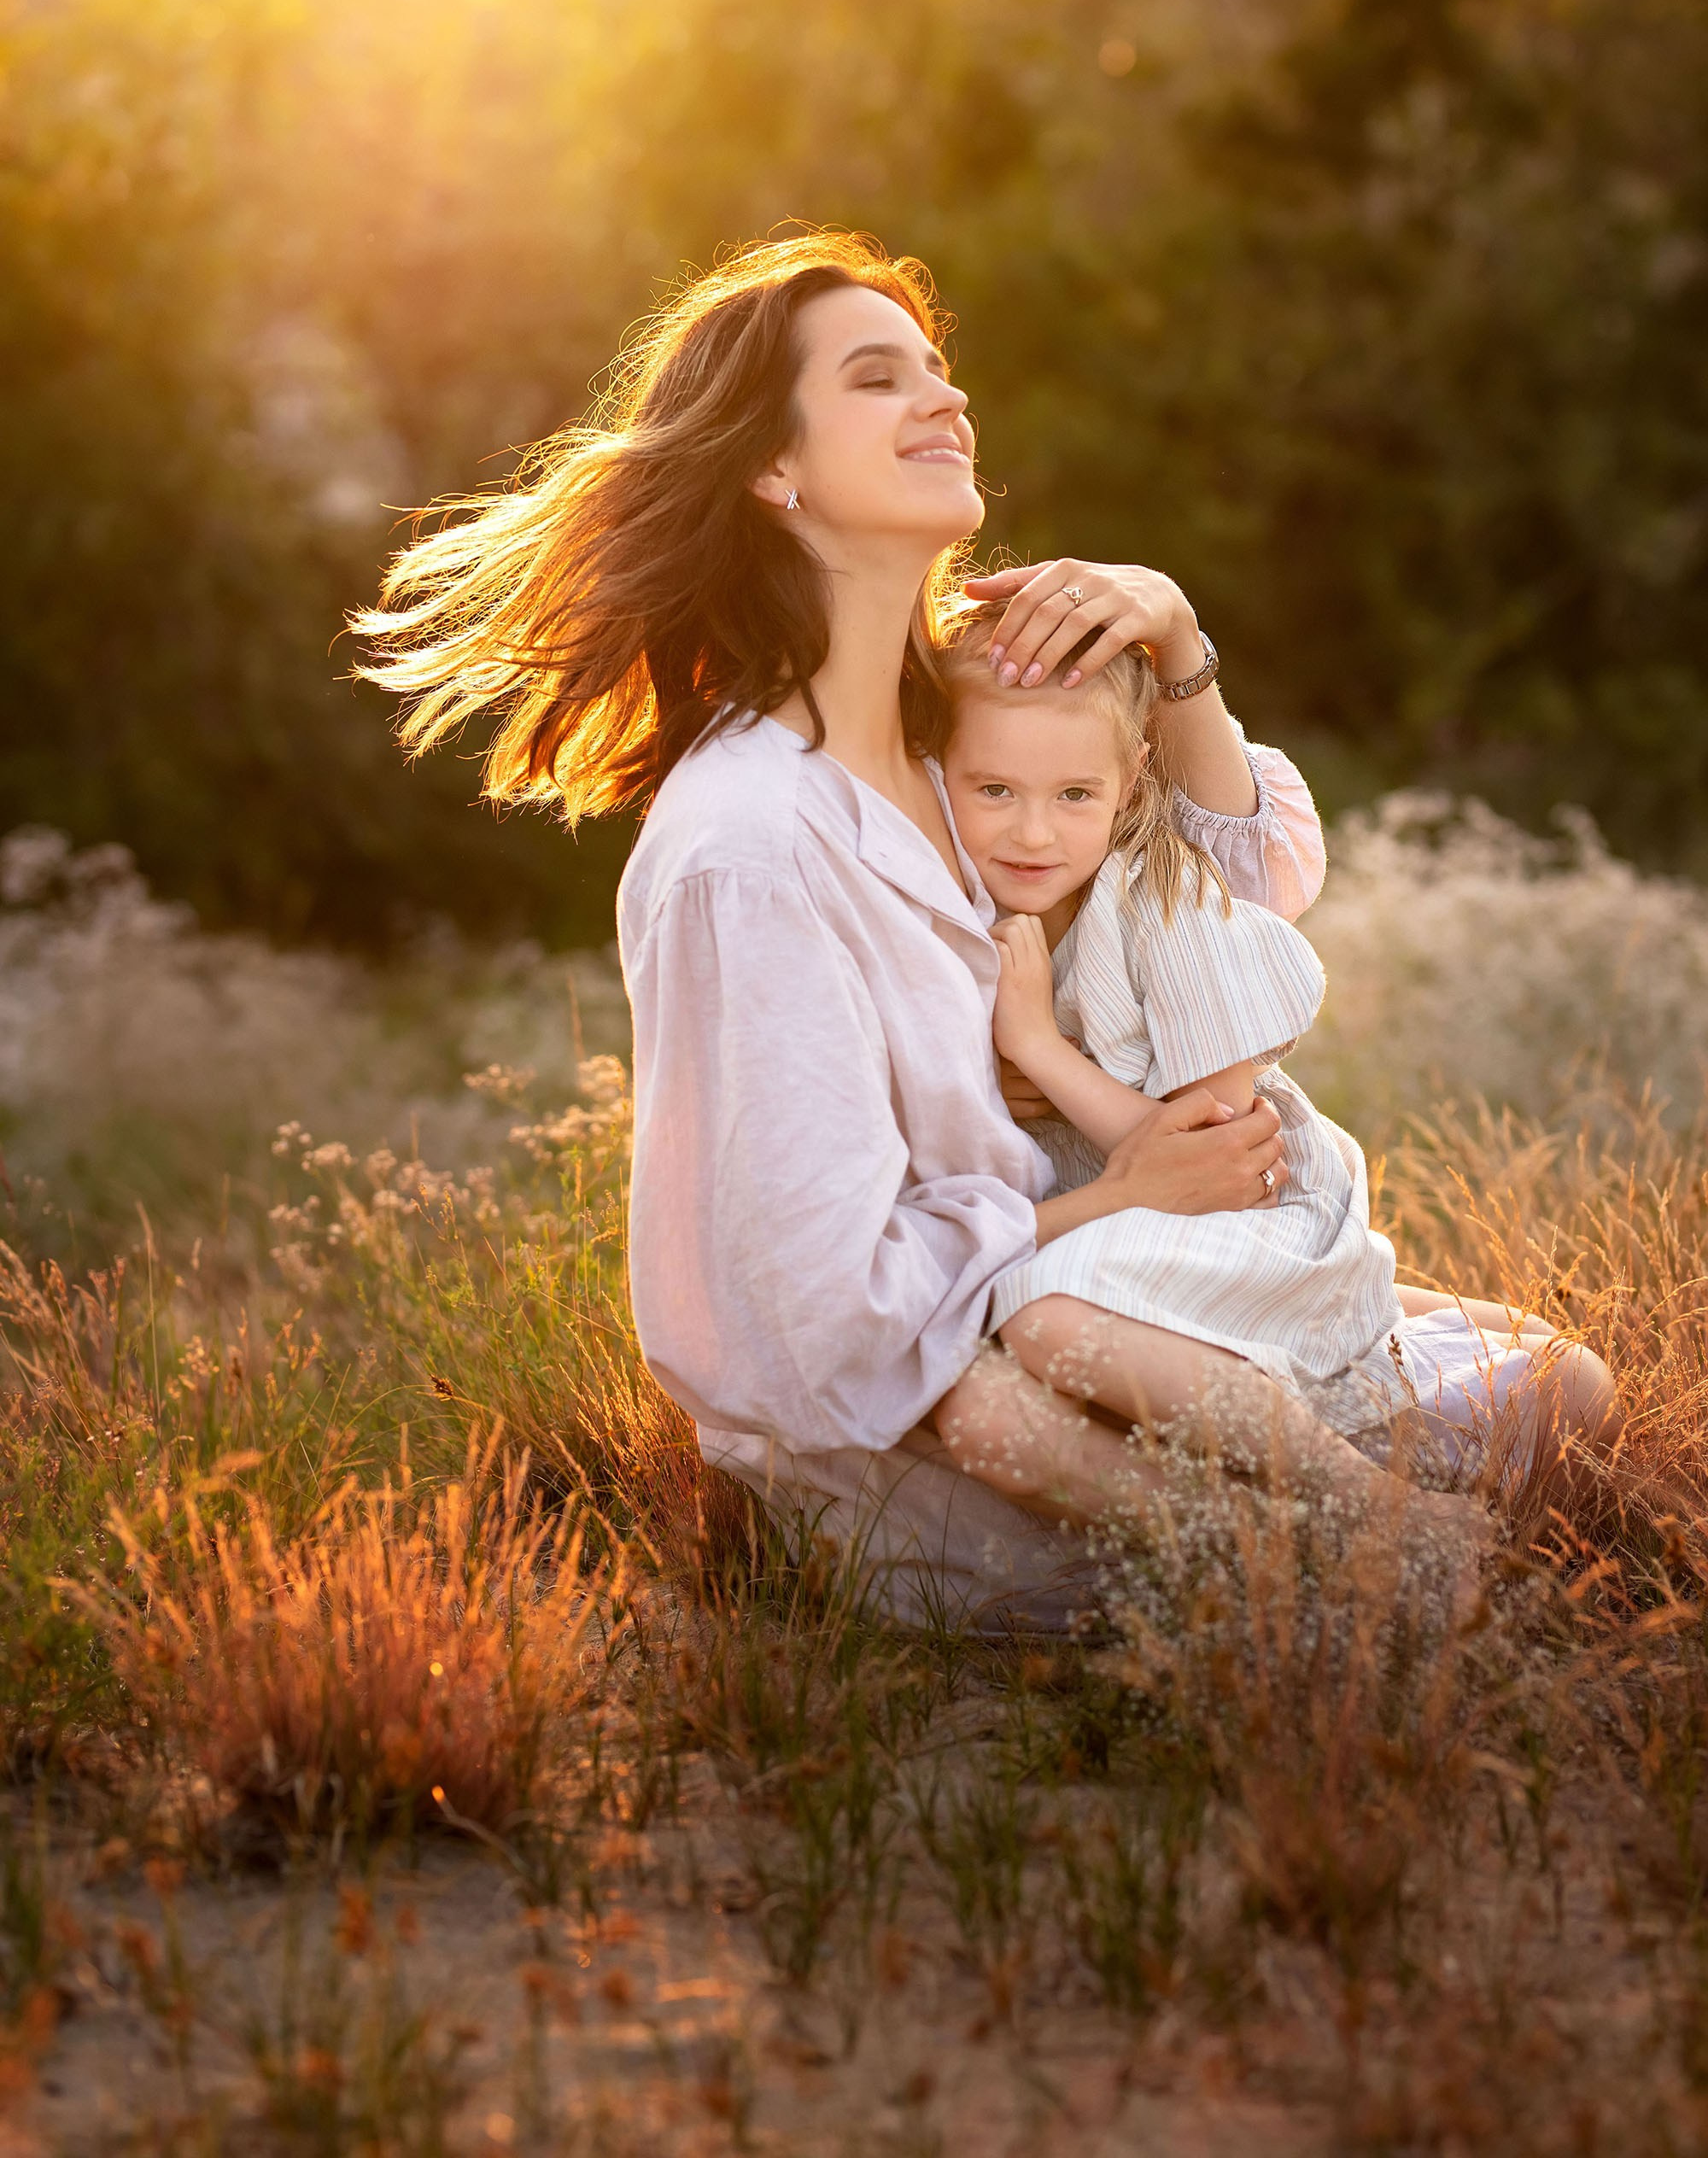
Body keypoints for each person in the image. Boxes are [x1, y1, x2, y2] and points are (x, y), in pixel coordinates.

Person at [350, 230, 1576, 1625]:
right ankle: (1319, 1564)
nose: (949, 401)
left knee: (1560, 1388)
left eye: (941, 369)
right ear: (773, 467)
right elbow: (836, 1323)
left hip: (1094, 1310)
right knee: (1452, 1479)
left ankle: (1358, 1532)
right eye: (882, 378)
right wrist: (1126, 1193)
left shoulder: (963, 737)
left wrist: (1177, 644)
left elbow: (1244, 880)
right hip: (952, 1446)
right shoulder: (752, 840)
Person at [928, 608, 1622, 1522]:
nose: (1031, 834)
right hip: (1129, 1230)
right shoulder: (957, 914)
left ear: (1131, 783)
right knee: (1037, 1314)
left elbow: (1215, 1157)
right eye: (993, 792)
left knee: (1043, 1314)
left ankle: (1378, 1514)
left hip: (1250, 1211)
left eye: (1072, 796)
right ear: (935, 774)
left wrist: (1037, 1050)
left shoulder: (1164, 904)